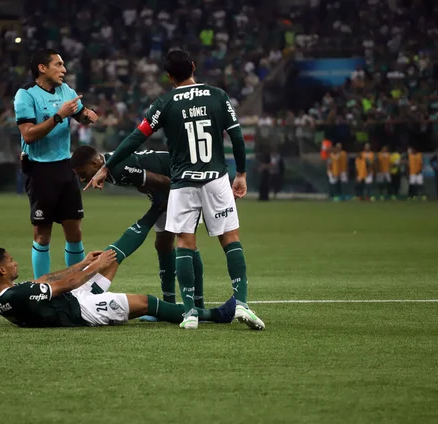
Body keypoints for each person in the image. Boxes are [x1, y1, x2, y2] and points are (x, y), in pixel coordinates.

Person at [85, 50, 265, 330]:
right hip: (216, 177)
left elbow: (136, 137)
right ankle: (241, 303)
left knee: (184, 242)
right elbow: (237, 137)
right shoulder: (217, 95)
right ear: (193, 67)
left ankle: (191, 312)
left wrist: (108, 165)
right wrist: (240, 173)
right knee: (230, 238)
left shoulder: (164, 103)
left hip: (183, 181)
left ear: (169, 77)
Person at [71, 145, 206, 320]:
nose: (82, 179)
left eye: (83, 173)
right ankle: (170, 306)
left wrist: (162, 203)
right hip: (163, 190)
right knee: (163, 244)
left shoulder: (119, 168)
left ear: (96, 163)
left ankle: (199, 305)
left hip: (180, 182)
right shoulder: (108, 168)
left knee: (187, 243)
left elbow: (164, 181)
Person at [0, 248, 237, 328]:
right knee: (147, 302)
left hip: (70, 300)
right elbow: (66, 284)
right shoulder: (19, 294)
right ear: (1, 270)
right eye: (10, 261)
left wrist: (84, 263)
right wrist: (92, 267)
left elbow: (45, 279)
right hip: (80, 311)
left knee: (111, 256)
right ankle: (217, 315)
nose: (15, 263)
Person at [14, 49, 99, 279]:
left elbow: (79, 114)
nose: (64, 69)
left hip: (65, 166)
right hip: (40, 169)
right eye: (59, 65)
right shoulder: (26, 94)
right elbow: (29, 135)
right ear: (42, 68)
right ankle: (43, 286)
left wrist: (87, 115)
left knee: (75, 231)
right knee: (43, 233)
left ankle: (77, 285)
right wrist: (59, 116)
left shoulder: (66, 90)